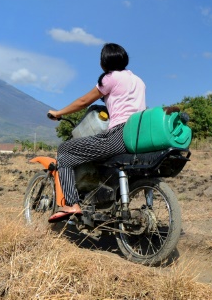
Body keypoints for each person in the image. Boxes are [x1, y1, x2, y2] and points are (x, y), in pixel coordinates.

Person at [47, 43, 146, 223]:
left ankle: (71, 204)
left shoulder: (110, 78)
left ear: (103, 63)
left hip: (117, 135)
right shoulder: (138, 81)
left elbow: (84, 101)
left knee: (65, 151)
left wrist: (58, 112)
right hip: (137, 136)